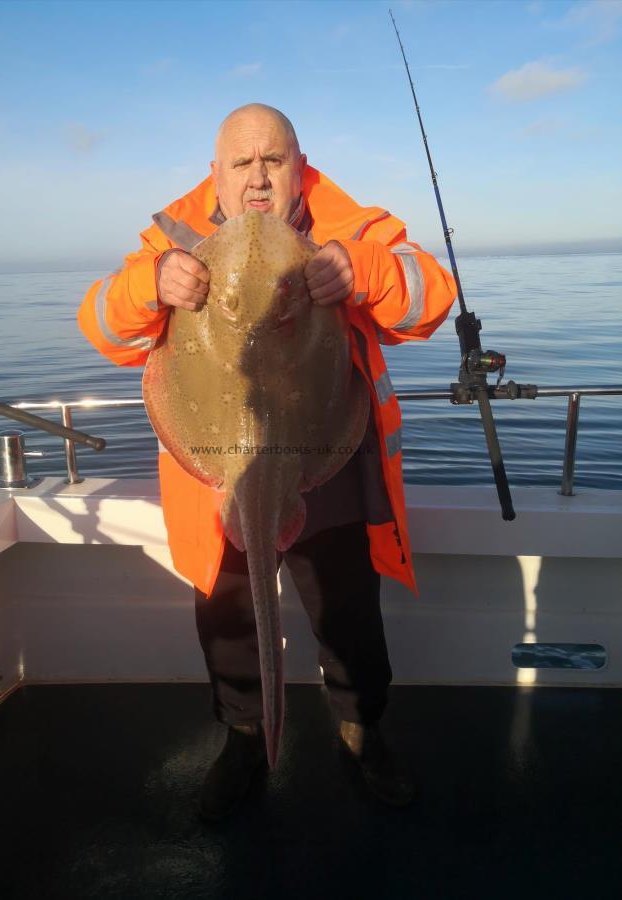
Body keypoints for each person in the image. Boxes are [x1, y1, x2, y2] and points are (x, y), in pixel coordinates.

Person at [78, 103, 456, 821]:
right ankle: (244, 736)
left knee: (346, 610)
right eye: (241, 164)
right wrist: (148, 285)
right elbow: (101, 326)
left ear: (297, 165)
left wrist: (363, 270)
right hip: (214, 468)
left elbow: (427, 298)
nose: (257, 178)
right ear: (215, 174)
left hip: (325, 453)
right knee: (227, 614)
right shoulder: (168, 239)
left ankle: (359, 729)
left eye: (272, 161)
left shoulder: (351, 228)